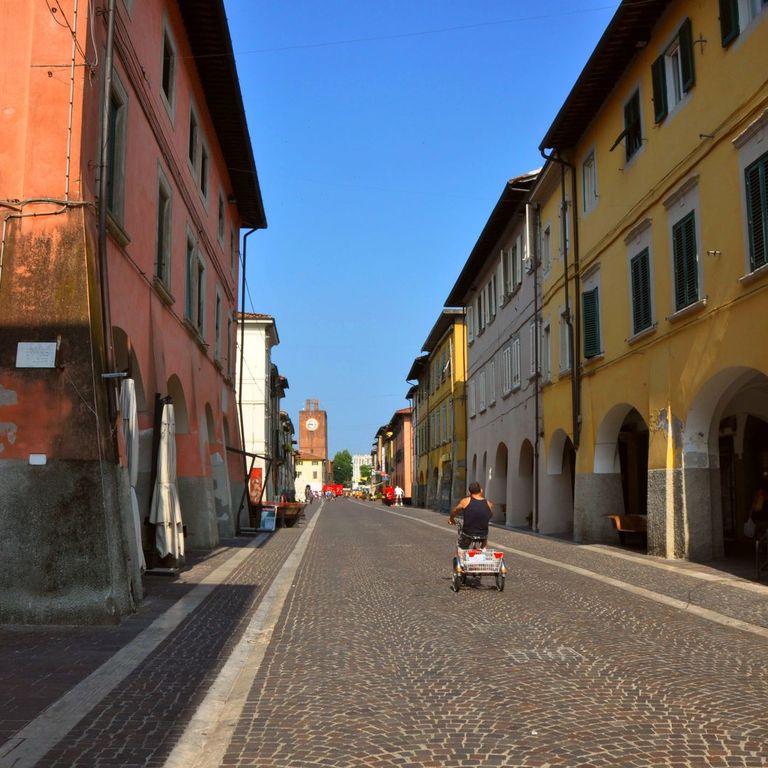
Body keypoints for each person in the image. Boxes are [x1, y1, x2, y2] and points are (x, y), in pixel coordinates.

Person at [449, 482, 494, 548]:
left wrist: (451, 519)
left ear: (469, 492)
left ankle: (459, 556)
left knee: (461, 547)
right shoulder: (489, 503)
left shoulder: (465, 501)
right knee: (484, 544)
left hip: (468, 534)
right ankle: (483, 550)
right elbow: (490, 515)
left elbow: (454, 511)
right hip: (483, 535)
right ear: (481, 490)